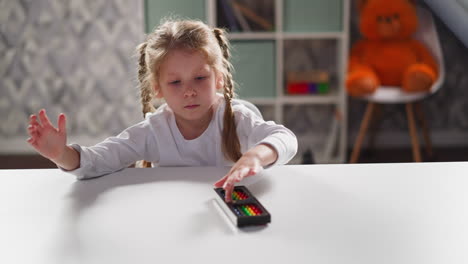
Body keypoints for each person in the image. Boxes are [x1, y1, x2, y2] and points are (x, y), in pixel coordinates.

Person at [26, 19, 297, 202]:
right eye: (176, 82)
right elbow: (101, 160)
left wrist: (255, 157)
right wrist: (62, 154)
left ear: (219, 79)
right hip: (172, 216)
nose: (189, 91)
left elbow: (285, 138)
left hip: (227, 207)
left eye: (200, 78)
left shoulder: (236, 118)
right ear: (158, 89)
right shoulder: (155, 130)